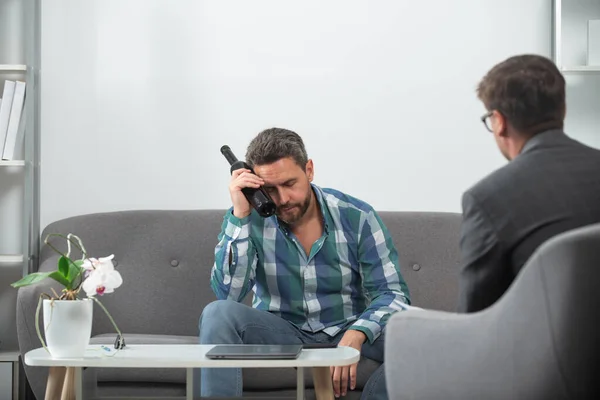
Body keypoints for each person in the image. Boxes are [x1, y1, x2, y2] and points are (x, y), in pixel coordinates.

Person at [199, 128, 411, 399]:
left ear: (309, 170)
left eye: (289, 184)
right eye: (270, 189)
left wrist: (358, 332)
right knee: (217, 313)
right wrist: (240, 216)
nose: (282, 199)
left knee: (420, 338)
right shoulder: (250, 218)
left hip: (346, 325)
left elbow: (392, 292)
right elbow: (227, 295)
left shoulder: (357, 215)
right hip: (281, 330)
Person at [458, 54, 600, 313]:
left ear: (499, 122)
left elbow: (476, 319)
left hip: (546, 352)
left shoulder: (488, 199)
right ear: (563, 109)